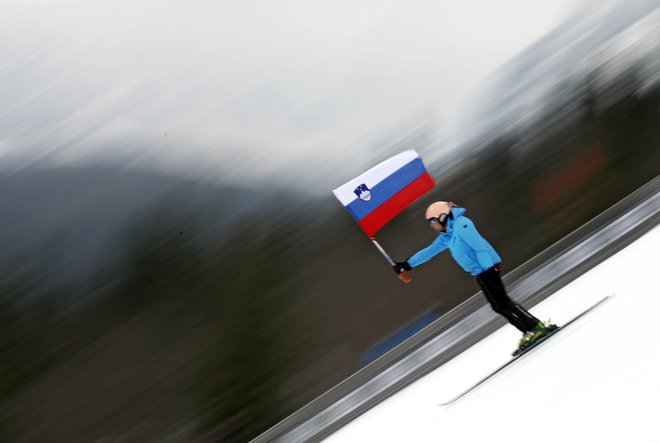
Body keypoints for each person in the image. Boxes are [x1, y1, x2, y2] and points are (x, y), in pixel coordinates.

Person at [393, 201, 556, 355]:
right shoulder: (447, 235)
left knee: (503, 302)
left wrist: (488, 269)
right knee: (498, 306)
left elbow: (479, 246)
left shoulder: (462, 224)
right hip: (480, 272)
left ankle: (535, 327)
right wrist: (406, 265)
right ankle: (529, 330)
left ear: (442, 216)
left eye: (433, 221)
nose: (432, 225)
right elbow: (429, 251)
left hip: (488, 269)